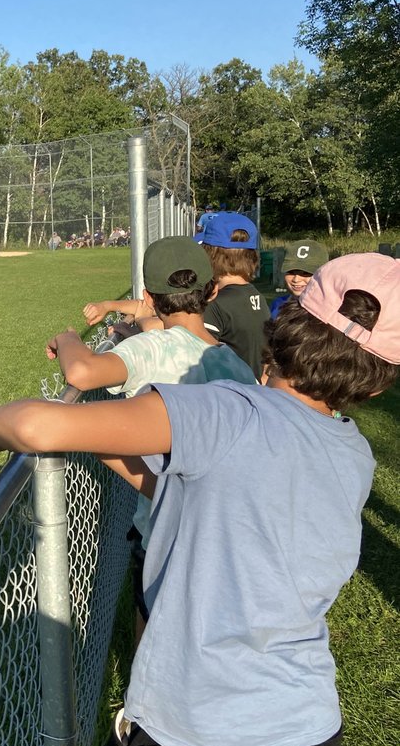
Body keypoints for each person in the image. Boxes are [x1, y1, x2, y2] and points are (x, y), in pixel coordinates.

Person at [0, 253, 400, 746]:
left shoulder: (219, 411)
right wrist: (106, 445)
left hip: (199, 724)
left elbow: (36, 426)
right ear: (374, 385)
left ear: (284, 325)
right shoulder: (350, 453)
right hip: (302, 727)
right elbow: (207, 496)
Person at [47, 237, 256, 635]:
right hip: (221, 524)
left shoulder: (151, 348)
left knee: (155, 621)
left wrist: (67, 339)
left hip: (164, 524)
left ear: (148, 297)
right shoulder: (235, 366)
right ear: (212, 290)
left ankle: (142, 694)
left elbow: (82, 374)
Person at [196, 210, 267, 379]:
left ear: (209, 255)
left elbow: (198, 358)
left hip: (228, 397)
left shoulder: (216, 304)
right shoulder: (258, 297)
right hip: (253, 394)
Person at [270, 239, 330, 320]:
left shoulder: (333, 311)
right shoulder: (278, 305)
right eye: (291, 272)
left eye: (305, 273)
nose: (296, 279)